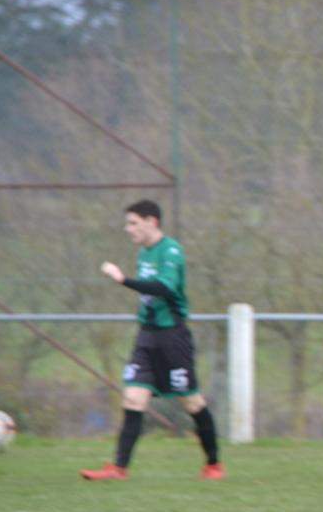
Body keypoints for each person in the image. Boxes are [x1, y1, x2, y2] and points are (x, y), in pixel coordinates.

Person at [80, 200, 223, 481]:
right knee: (133, 398)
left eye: (133, 223)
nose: (128, 228)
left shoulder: (170, 250)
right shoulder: (143, 254)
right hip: (147, 336)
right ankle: (119, 469)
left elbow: (165, 288)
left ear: (152, 222)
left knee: (192, 402)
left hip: (173, 337)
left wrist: (123, 280)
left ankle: (214, 465)